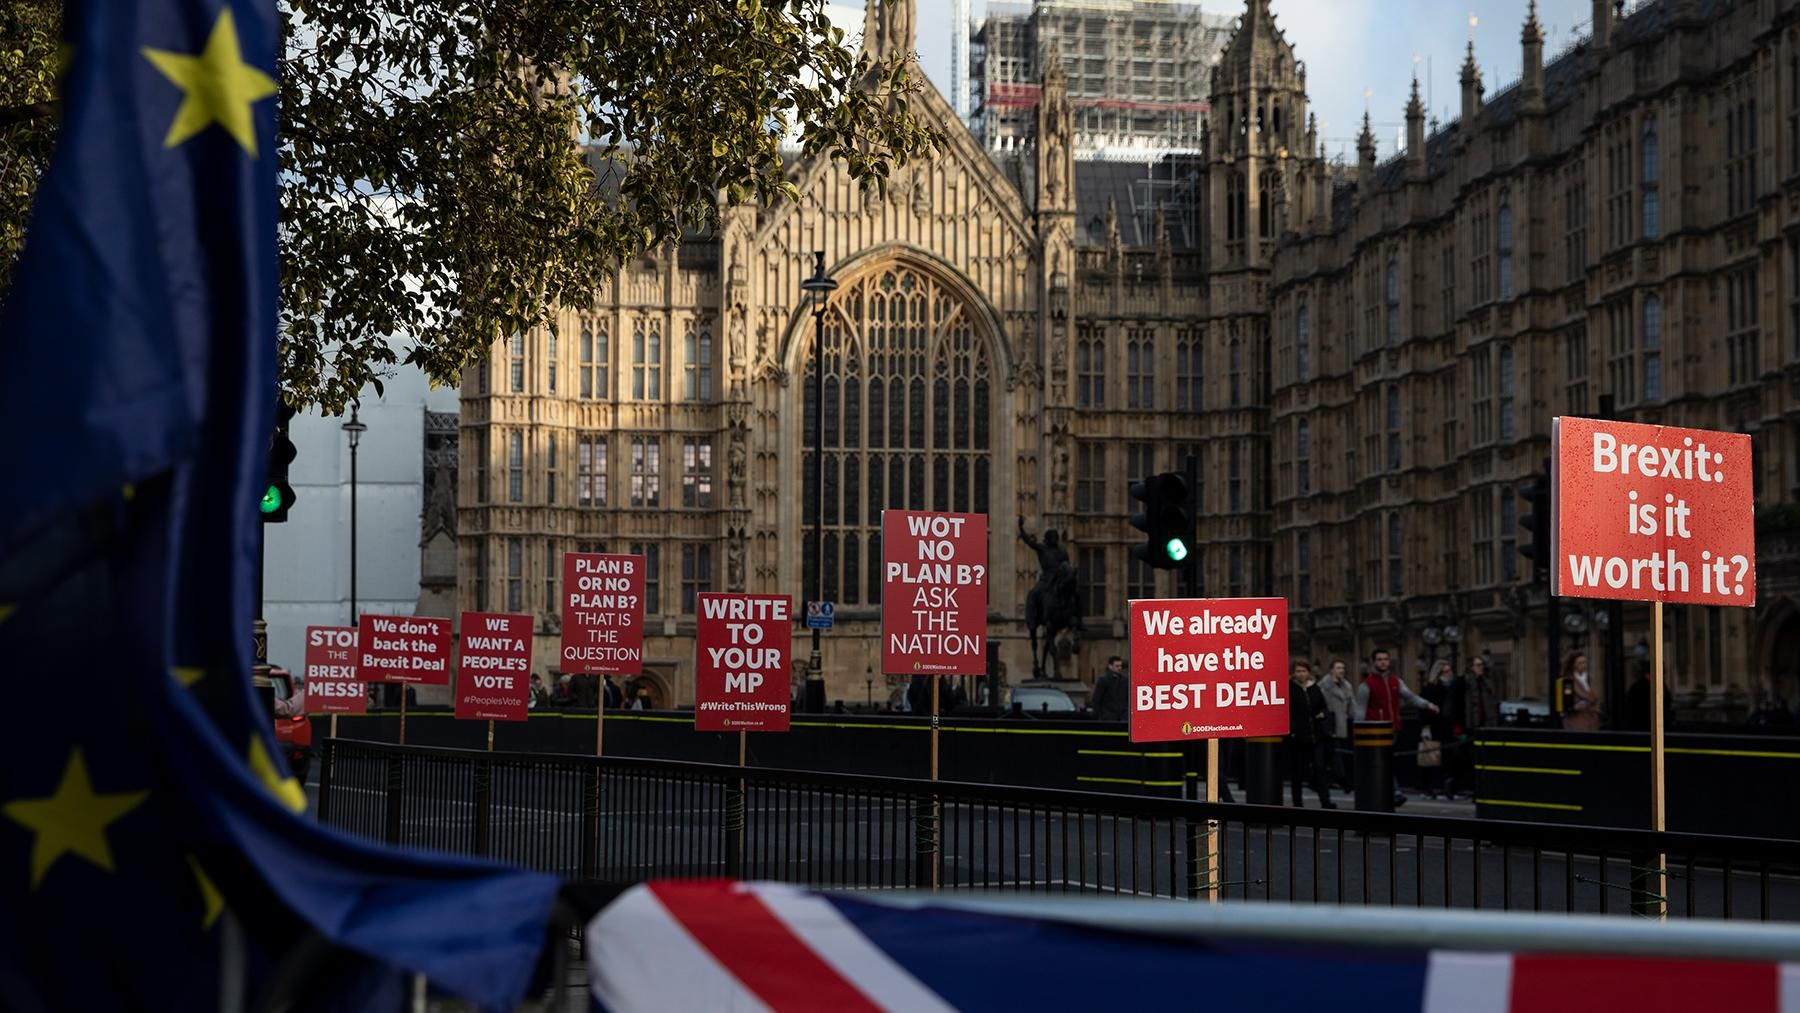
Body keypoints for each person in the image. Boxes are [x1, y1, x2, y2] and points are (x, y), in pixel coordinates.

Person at [1354, 648, 1439, 807]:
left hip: (1392, 730)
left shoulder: (1395, 682)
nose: (1383, 662)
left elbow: (1411, 697)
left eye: (1385, 659)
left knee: (1386, 763)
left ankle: (1389, 792)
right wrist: (1359, 735)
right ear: (1374, 662)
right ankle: (1394, 792)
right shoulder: (1366, 685)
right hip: (1374, 733)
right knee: (1383, 763)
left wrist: (1428, 705)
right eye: (1379, 659)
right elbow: (1360, 712)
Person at [1285, 661, 1334, 808]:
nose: (1301, 674)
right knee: (1298, 773)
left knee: (1320, 768)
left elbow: (1324, 707)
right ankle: (1297, 803)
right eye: (1298, 671)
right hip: (1298, 737)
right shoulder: (1290, 689)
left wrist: (1322, 714)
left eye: (1304, 671)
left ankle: (1325, 801)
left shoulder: (1315, 688)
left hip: (1316, 736)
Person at [1418, 660, 1459, 798]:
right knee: (1430, 758)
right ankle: (1428, 787)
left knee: (1449, 758)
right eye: (1446, 672)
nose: (1449, 674)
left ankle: (1447, 788)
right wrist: (1426, 728)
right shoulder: (1431, 688)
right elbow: (1424, 710)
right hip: (1434, 727)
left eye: (1450, 671)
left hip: (1448, 728)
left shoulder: (1453, 688)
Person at [1316, 659, 1356, 790]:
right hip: (1328, 726)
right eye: (1338, 668)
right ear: (1332, 670)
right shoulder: (1324, 685)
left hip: (1342, 724)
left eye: (1343, 668)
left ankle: (1335, 779)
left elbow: (1351, 706)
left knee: (1338, 754)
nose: (1341, 671)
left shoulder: (1347, 685)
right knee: (1333, 755)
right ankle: (1341, 780)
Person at [1560, 651, 1600, 731]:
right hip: (1576, 721)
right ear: (1573, 665)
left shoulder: (1590, 679)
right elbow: (1566, 705)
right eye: (1580, 663)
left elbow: (1595, 698)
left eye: (1585, 662)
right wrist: (1575, 707)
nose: (1583, 665)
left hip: (1592, 720)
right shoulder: (1568, 681)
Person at [1090, 655, 1129, 722]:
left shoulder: (1125, 680)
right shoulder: (1103, 680)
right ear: (1110, 666)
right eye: (1117, 666)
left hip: (1123, 717)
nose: (1119, 668)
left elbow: (1128, 698)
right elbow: (1097, 699)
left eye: (1120, 666)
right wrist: (1098, 715)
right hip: (1108, 717)